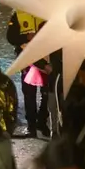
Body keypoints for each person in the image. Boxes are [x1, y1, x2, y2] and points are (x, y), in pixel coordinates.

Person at [7, 8, 50, 137]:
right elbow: (11, 37)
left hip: (46, 57)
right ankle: (31, 126)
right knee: (29, 93)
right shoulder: (18, 14)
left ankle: (42, 122)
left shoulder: (47, 11)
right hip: (27, 58)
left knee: (47, 92)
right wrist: (26, 37)